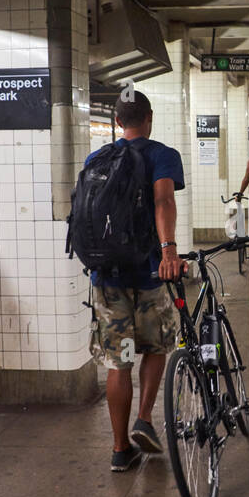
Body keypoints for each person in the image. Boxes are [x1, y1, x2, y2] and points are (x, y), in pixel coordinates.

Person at [84, 90, 186, 471]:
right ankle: (144, 418)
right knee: (157, 346)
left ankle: (119, 448)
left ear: (116, 122)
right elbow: (163, 201)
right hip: (148, 272)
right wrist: (169, 252)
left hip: (107, 275)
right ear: (149, 118)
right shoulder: (162, 154)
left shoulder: (97, 158)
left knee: (118, 362)